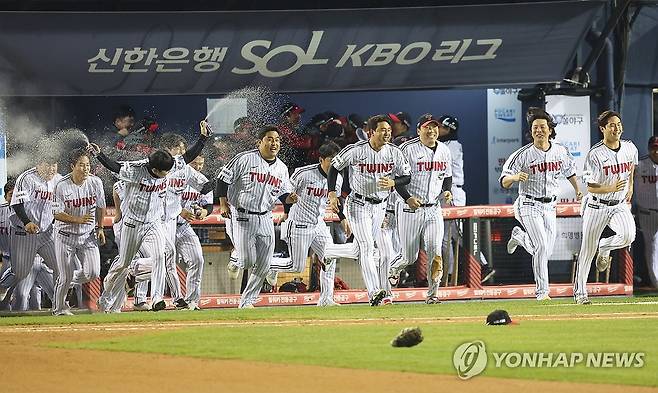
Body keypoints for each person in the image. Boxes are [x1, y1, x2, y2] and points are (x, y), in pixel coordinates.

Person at [92, 120, 210, 312]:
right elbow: (114, 166)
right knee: (123, 264)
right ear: (155, 170)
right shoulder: (135, 170)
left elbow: (187, 156)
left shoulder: (168, 164)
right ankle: (106, 295)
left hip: (154, 223)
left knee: (160, 257)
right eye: (165, 173)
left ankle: (156, 298)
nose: (168, 175)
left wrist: (203, 138)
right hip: (132, 224)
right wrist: (99, 155)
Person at [327, 114, 412, 306]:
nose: (387, 134)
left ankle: (329, 251)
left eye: (389, 130)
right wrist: (332, 192)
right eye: (383, 130)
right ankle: (374, 292)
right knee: (367, 247)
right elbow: (334, 167)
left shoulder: (394, 152)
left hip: (380, 206)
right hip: (358, 203)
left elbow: (406, 177)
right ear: (371, 132)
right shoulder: (356, 150)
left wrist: (393, 182)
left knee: (361, 249)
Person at [501, 108, 582, 301]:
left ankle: (519, 237)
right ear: (531, 131)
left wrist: (578, 189)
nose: (539, 130)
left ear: (550, 130)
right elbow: (503, 181)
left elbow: (569, 171)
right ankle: (542, 292)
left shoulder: (560, 151)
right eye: (535, 127)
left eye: (542, 127)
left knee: (547, 250)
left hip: (549, 207)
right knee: (542, 248)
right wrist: (514, 177)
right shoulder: (522, 154)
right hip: (528, 204)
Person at [268, 141, 358, 306]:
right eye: (331, 159)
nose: (335, 163)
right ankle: (270, 265)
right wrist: (286, 212)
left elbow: (336, 201)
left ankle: (326, 300)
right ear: (321, 159)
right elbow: (286, 192)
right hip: (299, 224)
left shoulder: (337, 179)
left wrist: (343, 217)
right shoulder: (303, 173)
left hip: (319, 224)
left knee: (330, 258)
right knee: (296, 266)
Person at [216, 125, 297, 309]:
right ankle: (236, 258)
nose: (274, 142)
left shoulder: (282, 168)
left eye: (277, 139)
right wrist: (222, 203)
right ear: (259, 142)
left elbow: (283, 193)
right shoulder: (244, 159)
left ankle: (247, 301)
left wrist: (288, 202)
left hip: (266, 217)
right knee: (249, 261)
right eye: (269, 139)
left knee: (264, 264)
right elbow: (222, 179)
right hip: (241, 215)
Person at [573, 110, 638, 304]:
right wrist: (610, 187)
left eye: (618, 124)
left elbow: (631, 168)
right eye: (611, 124)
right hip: (596, 206)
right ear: (603, 129)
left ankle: (605, 246)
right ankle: (580, 293)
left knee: (628, 236)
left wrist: (631, 186)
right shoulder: (595, 154)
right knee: (587, 250)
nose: (616, 127)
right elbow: (591, 186)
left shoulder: (630, 148)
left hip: (619, 204)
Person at [388, 114, 453, 304]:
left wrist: (447, 191)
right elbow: (396, 179)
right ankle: (393, 269)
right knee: (409, 256)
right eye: (427, 127)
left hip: (433, 208)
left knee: (435, 250)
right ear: (418, 130)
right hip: (410, 208)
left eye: (434, 127)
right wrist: (407, 198)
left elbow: (447, 175)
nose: (431, 130)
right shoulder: (407, 149)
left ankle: (433, 295)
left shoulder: (444, 150)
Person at [51, 149, 106, 315]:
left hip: (87, 235)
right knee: (66, 276)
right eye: (81, 165)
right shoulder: (61, 185)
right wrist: (78, 220)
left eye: (88, 165)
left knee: (93, 272)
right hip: (65, 236)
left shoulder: (95, 182)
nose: (86, 168)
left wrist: (101, 227)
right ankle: (59, 308)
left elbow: (101, 206)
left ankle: (64, 281)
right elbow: (56, 213)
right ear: (72, 166)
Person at [8, 150, 61, 310]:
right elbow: (17, 203)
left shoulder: (59, 180)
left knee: (61, 266)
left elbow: (59, 207)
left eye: (54, 165)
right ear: (38, 165)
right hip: (24, 232)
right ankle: (3, 286)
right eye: (47, 165)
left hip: (46, 233)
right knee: (21, 272)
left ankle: (60, 305)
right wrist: (26, 221)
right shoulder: (27, 178)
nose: (51, 168)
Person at [176, 154, 214, 310]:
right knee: (161, 263)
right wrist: (180, 211)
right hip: (165, 226)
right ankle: (139, 295)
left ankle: (191, 302)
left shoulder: (202, 181)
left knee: (197, 260)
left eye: (201, 164)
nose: (198, 167)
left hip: (184, 227)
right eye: (194, 164)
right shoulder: (176, 176)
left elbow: (208, 205)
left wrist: (203, 212)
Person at [635, 136, 658, 288]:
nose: (656, 151)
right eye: (653, 148)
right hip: (648, 212)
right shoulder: (639, 164)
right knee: (652, 246)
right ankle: (656, 282)